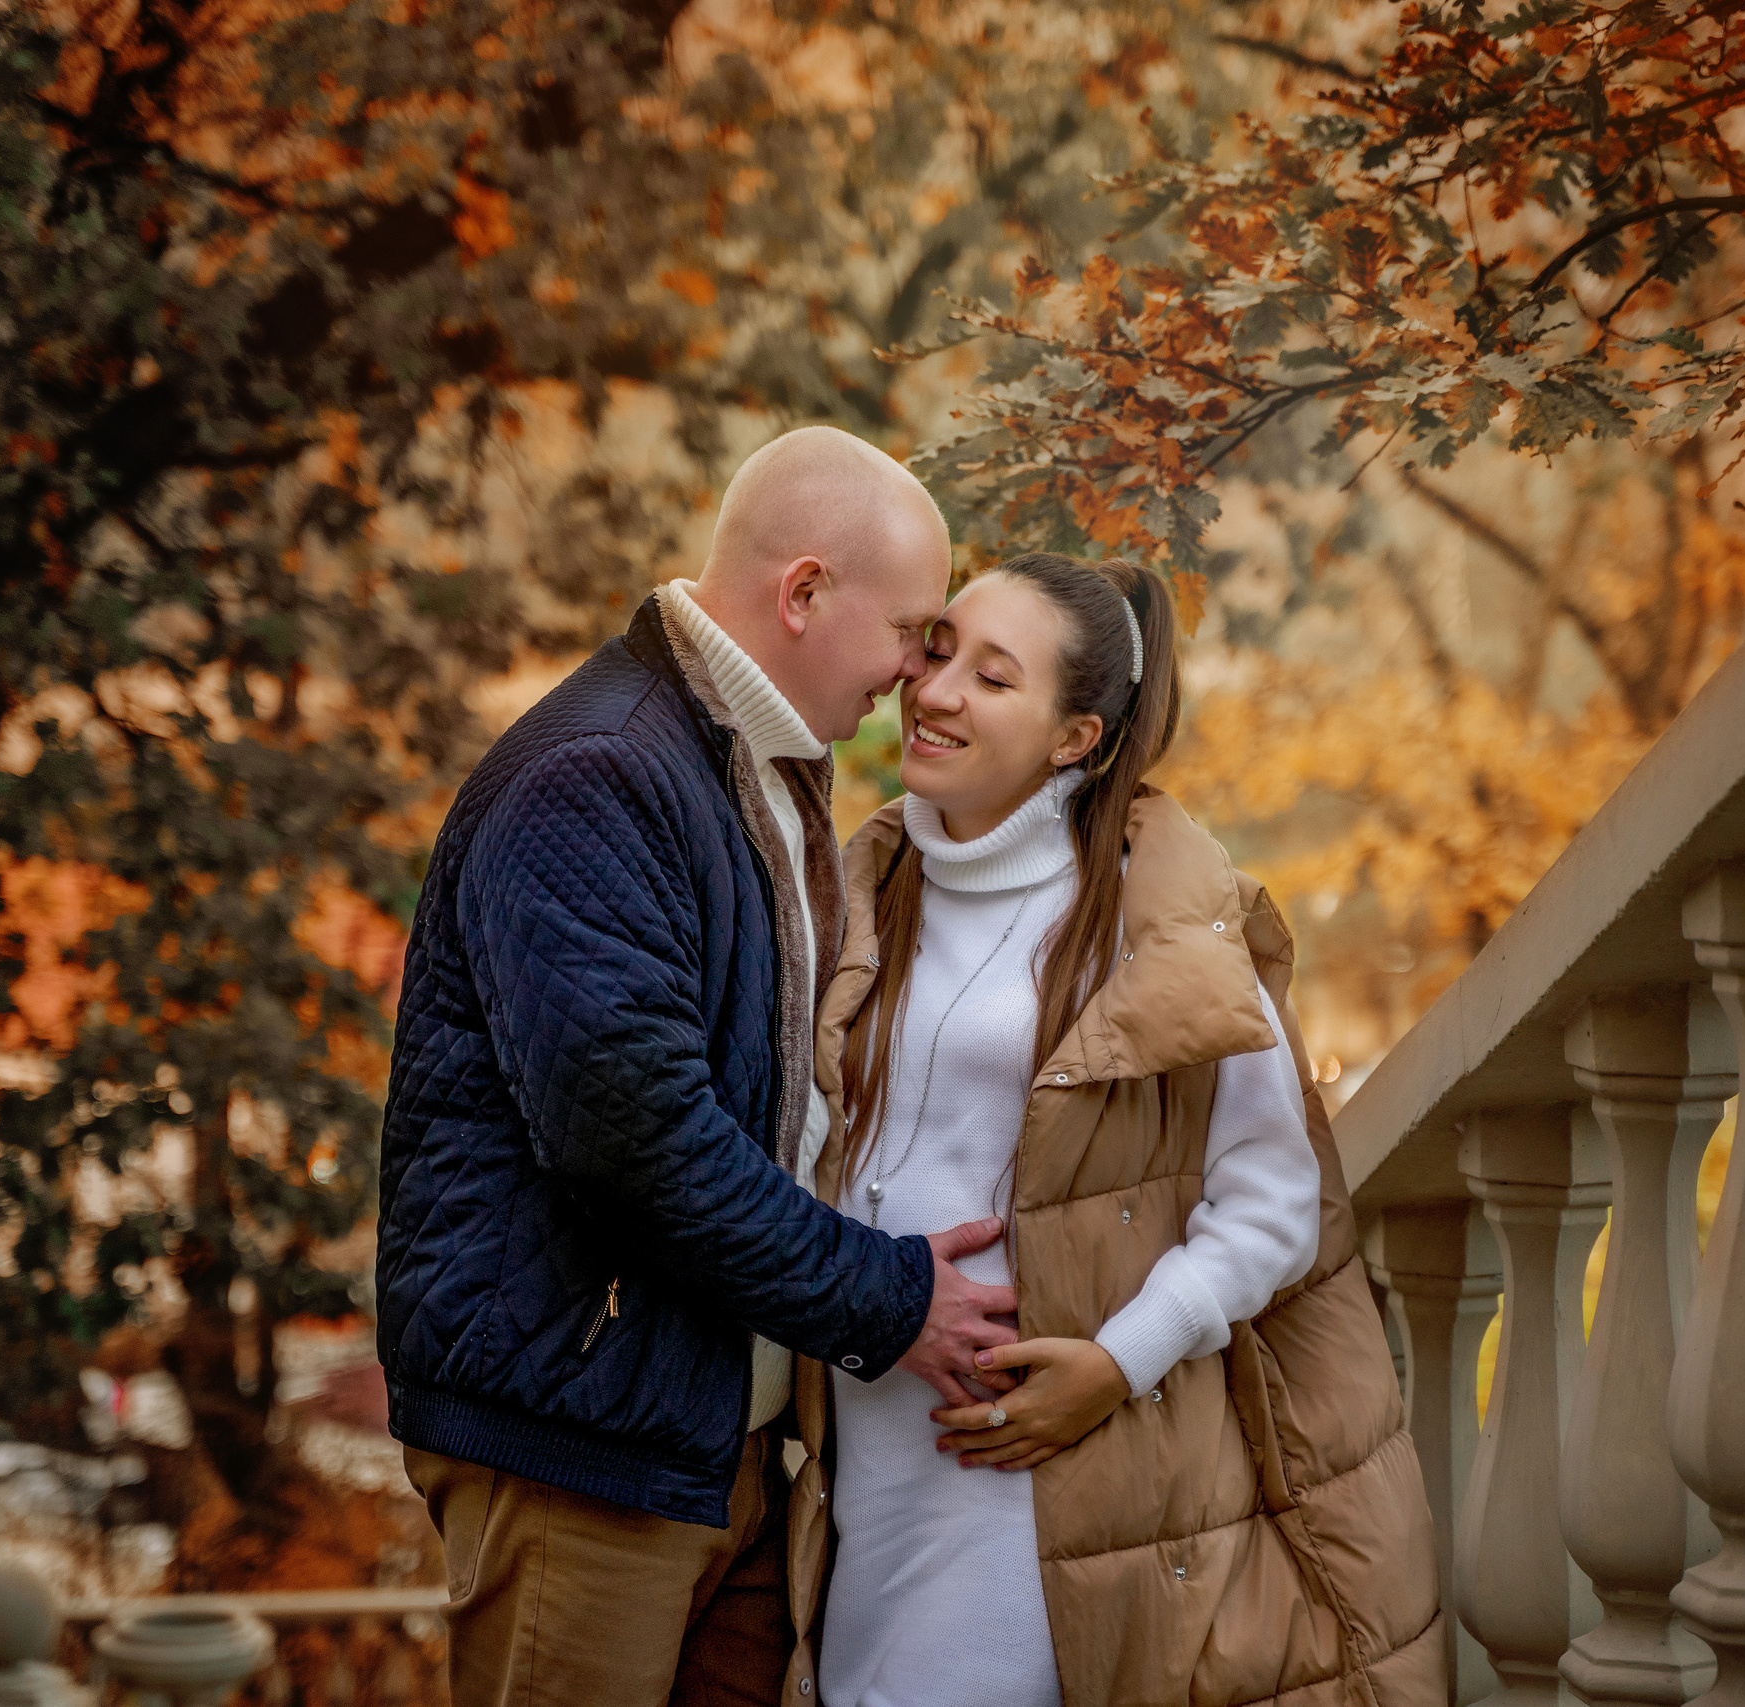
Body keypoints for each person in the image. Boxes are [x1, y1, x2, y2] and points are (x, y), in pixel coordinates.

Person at [376, 426, 1024, 1707]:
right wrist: (886, 1300)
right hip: (581, 1447)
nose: (916, 670)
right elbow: (635, 1136)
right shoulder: (597, 775)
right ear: (802, 594)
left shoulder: (758, 769)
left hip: (712, 1441)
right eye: (909, 631)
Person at [784, 554, 1448, 1707]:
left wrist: (1113, 1364)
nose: (934, 694)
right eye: (937, 652)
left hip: (1045, 1465)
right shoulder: (857, 885)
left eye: (994, 680)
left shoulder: (1156, 925)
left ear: (1073, 737)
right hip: (870, 1448)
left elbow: (1276, 1204)